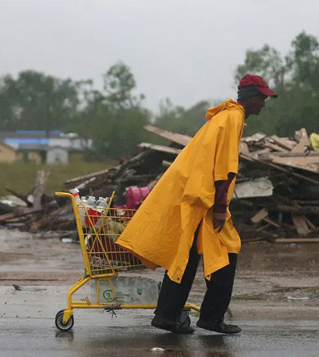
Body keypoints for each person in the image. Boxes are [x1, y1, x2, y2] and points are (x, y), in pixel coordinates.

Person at [116, 74, 277, 334]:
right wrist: (220, 208)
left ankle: (167, 316)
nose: (264, 103)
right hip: (202, 198)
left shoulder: (224, 116)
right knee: (227, 249)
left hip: (192, 194)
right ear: (249, 96)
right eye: (262, 97)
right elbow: (224, 170)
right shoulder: (233, 118)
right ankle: (211, 318)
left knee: (188, 254)